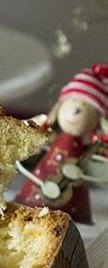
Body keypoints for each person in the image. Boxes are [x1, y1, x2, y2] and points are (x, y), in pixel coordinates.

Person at [14, 64, 107, 224]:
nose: (76, 110)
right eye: (73, 101)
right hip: (29, 202)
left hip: (72, 213)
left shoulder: (89, 151)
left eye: (85, 105)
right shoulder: (45, 132)